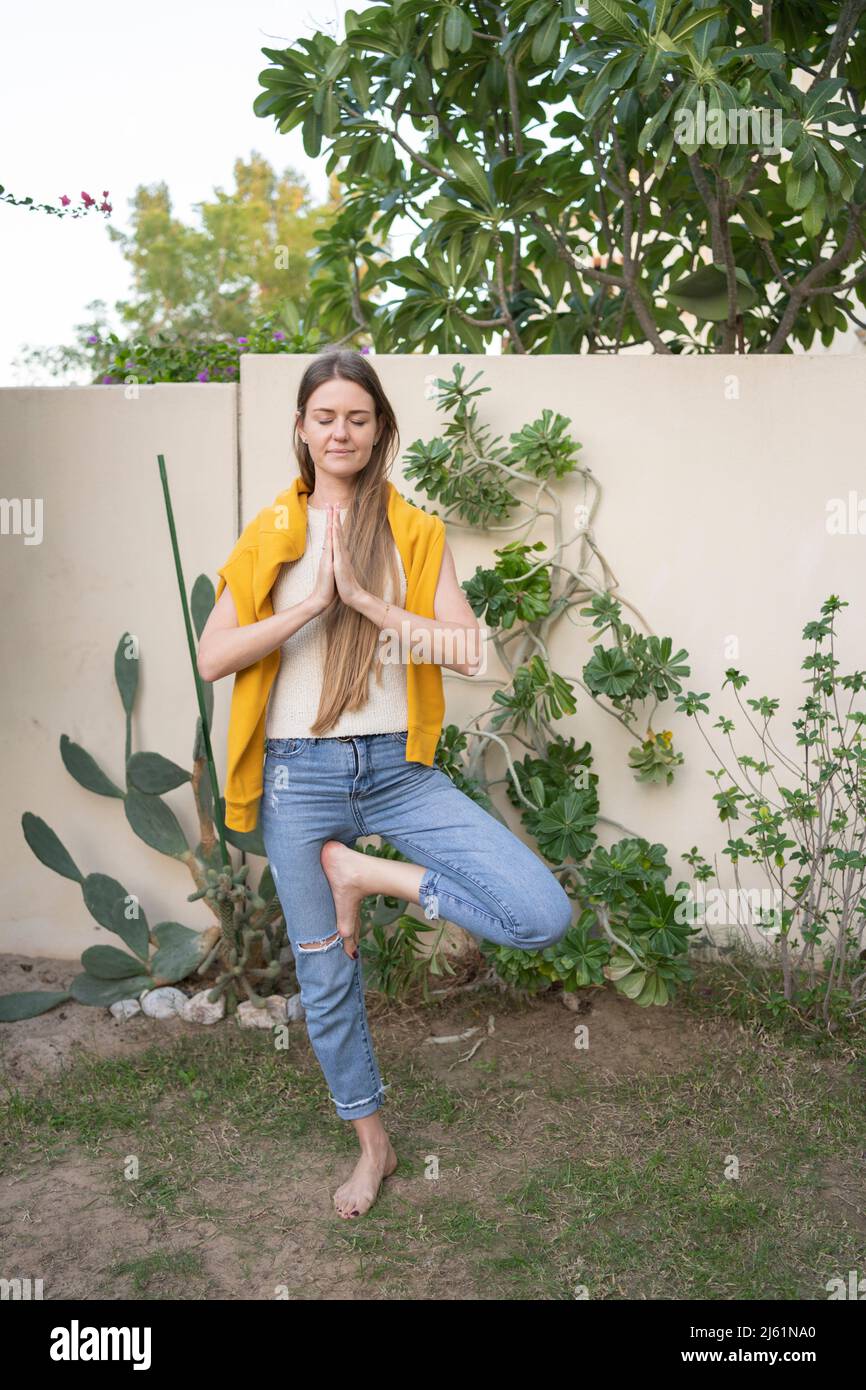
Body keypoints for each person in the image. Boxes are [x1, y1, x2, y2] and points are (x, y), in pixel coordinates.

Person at [198, 349, 573, 1219]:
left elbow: (465, 648)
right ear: (301, 428)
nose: (341, 431)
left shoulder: (417, 531)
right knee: (327, 978)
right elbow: (215, 656)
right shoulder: (271, 533)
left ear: (379, 430)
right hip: (301, 775)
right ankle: (373, 1146)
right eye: (324, 416)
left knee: (540, 914)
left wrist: (370, 605)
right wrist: (307, 606)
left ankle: (364, 874)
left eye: (357, 418)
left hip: (399, 771)